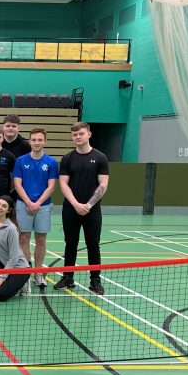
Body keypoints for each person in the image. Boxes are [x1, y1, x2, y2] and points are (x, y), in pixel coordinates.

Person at [55, 122, 109, 295]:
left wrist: (88, 205)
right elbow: (63, 184)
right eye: (75, 135)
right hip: (71, 209)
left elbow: (103, 184)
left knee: (93, 245)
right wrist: (76, 204)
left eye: (81, 134)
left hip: (92, 210)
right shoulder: (68, 158)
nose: (77, 137)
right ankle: (68, 277)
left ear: (89, 135)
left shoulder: (100, 158)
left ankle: (95, 280)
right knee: (70, 243)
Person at [13, 128, 59, 288]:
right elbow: (17, 183)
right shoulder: (20, 160)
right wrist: (28, 202)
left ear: (45, 141)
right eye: (33, 140)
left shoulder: (51, 162)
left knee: (41, 239)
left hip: (44, 206)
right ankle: (25, 271)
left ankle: (38, 273)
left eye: (40, 140)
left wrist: (37, 203)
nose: (36, 143)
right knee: (23, 237)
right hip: (23, 204)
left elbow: (51, 186)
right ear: (30, 142)